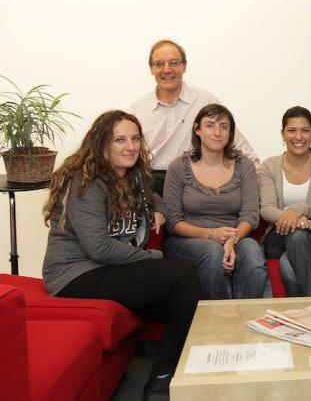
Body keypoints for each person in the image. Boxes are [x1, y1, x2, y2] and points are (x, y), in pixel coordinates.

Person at [41, 110, 201, 400]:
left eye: (135, 138)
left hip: (105, 270)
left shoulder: (131, 177)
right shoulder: (85, 182)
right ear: (102, 144)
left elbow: (157, 199)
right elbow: (98, 247)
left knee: (183, 298)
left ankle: (162, 375)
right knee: (180, 275)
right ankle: (199, 358)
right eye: (120, 140)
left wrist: (159, 211)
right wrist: (153, 258)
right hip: (74, 275)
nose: (130, 146)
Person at [162, 104, 269, 300]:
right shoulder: (178, 166)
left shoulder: (243, 165)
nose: (217, 132)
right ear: (197, 129)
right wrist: (210, 234)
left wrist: (231, 240)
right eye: (210, 125)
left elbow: (250, 216)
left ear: (231, 133)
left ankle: (246, 319)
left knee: (252, 251)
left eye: (224, 126)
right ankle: (219, 323)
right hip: (188, 240)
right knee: (212, 252)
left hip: (235, 236)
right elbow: (173, 221)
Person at [128, 39, 259, 195]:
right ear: (151, 69)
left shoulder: (204, 101)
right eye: (159, 64)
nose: (167, 69)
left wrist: (255, 181)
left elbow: (235, 142)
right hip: (150, 182)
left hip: (192, 183)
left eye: (174, 63)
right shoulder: (138, 108)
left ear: (184, 67)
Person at [259, 106, 311, 296]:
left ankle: (301, 319)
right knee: (298, 235)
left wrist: (298, 210)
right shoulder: (269, 166)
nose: (299, 137)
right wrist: (294, 220)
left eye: (305, 130)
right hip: (278, 236)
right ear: (283, 134)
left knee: (288, 261)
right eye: (292, 130)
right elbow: (266, 209)